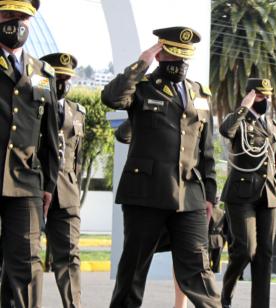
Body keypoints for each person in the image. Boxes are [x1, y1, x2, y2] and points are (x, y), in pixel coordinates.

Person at [101, 26, 220, 308]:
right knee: (134, 269)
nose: (179, 64)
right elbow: (111, 98)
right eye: (173, 56)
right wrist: (142, 62)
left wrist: (210, 195)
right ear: (161, 53)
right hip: (146, 192)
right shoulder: (142, 89)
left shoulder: (199, 94)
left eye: (184, 58)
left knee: (198, 268)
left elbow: (207, 150)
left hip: (189, 194)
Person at [0, 1, 60, 307]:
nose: (17, 24)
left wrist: (49, 185)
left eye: (23, 17)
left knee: (27, 263)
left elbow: (49, 136)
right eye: (9, 16)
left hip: (26, 183)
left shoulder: (43, 73)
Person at [219, 78, 276, 308]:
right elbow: (225, 129)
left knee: (264, 254)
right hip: (241, 194)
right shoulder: (239, 121)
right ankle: (226, 292)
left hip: (269, 194)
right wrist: (244, 106)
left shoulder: (274, 126)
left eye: (267, 96)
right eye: (260, 96)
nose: (265, 100)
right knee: (245, 250)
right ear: (250, 95)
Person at [114, 119, 189, 308]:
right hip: (147, 196)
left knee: (186, 255)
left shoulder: (190, 102)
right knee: (136, 263)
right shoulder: (145, 102)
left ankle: (180, 305)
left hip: (181, 192)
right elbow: (123, 134)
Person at [40, 52, 85, 308]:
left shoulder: (78, 113)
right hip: (33, 188)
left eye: (67, 78)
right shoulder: (32, 106)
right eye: (58, 77)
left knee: (70, 258)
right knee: (25, 258)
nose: (63, 83)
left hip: (66, 194)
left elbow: (76, 157)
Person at [208, 203, 225, 273]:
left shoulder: (208, 211)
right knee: (216, 263)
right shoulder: (222, 212)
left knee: (207, 262)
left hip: (208, 238)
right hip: (219, 239)